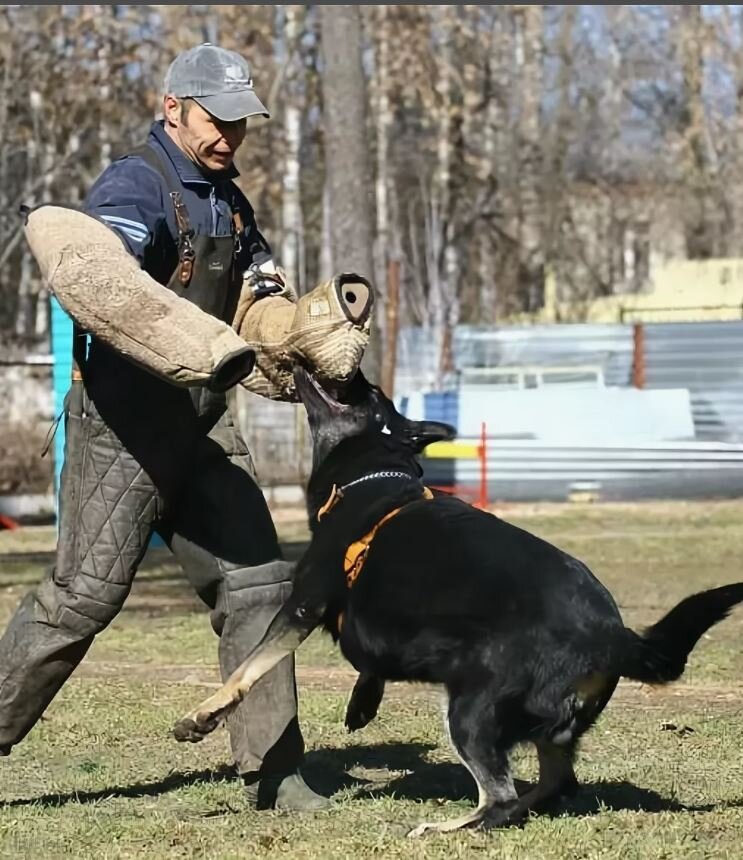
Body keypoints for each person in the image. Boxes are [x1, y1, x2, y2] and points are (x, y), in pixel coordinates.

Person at [0, 44, 333, 811]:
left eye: (240, 123)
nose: (229, 136)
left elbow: (255, 294)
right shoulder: (136, 185)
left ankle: (274, 773)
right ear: (173, 107)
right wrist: (198, 343)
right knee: (80, 600)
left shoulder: (230, 203)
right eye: (217, 119)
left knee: (259, 584)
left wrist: (298, 335)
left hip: (204, 425)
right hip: (123, 428)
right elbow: (107, 284)